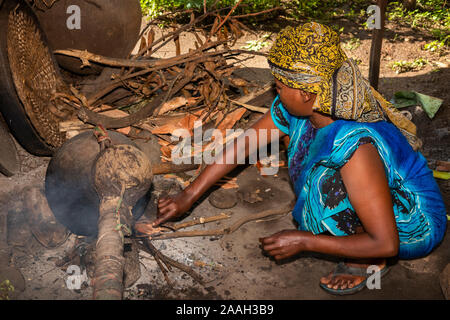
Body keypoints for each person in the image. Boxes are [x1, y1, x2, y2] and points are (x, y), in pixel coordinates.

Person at [152, 22, 447, 295]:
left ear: (307, 94)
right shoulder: (303, 108)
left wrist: (304, 241)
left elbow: (387, 241)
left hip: (410, 223)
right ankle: (335, 221)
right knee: (317, 176)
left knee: (327, 183)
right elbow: (246, 145)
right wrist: (189, 194)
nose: (274, 90)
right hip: (376, 197)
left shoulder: (356, 145)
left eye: (280, 85)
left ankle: (366, 260)